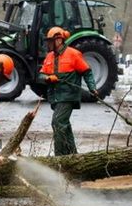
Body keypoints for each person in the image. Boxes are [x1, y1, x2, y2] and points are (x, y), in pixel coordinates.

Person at [38, 26, 97, 156]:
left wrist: (92, 88)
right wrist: (47, 78)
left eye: (50, 41)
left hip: (68, 96)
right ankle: (72, 154)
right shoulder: (49, 57)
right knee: (64, 126)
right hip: (55, 97)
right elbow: (40, 76)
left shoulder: (73, 54)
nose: (48, 43)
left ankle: (59, 157)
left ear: (58, 40)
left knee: (57, 122)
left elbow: (87, 72)